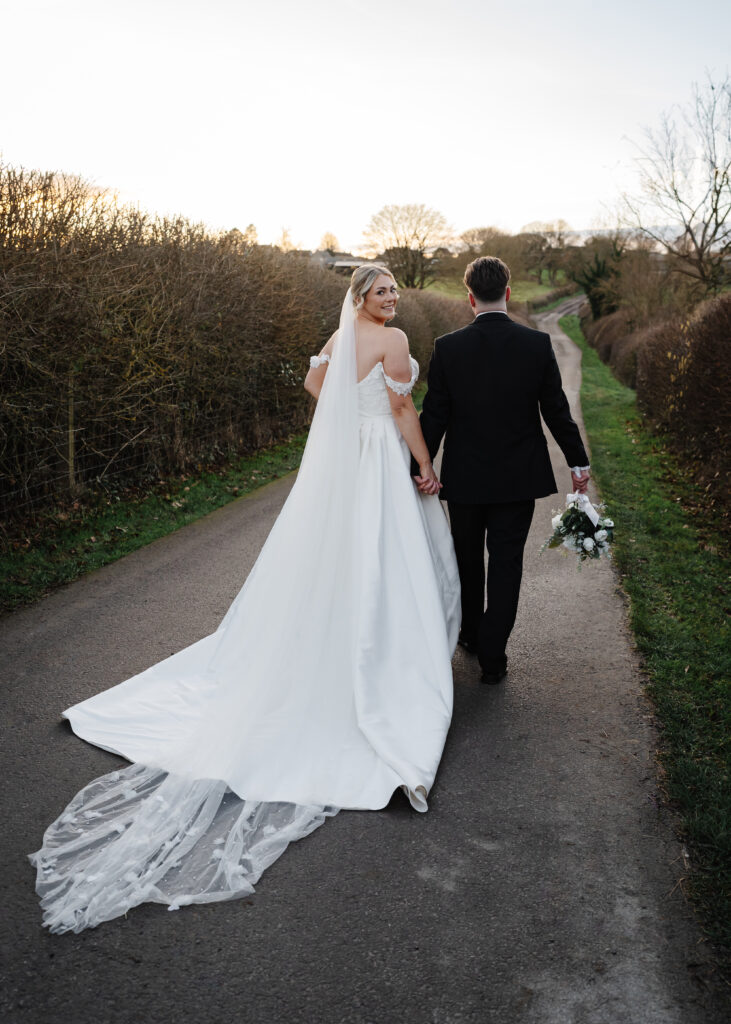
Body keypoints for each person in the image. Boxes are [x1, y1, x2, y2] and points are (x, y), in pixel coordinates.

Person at [28, 264, 460, 934]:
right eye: (382, 293)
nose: (393, 300)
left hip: (344, 455)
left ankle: (332, 639)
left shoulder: (339, 335)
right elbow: (402, 407)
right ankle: (378, 657)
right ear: (362, 299)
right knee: (384, 560)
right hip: (375, 457)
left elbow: (315, 382)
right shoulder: (396, 341)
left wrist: (346, 416)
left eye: (395, 292)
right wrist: (424, 464)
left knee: (335, 560)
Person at [412, 256, 589, 683]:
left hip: (466, 479)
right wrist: (577, 462)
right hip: (517, 478)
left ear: (468, 297)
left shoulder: (448, 347)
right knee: (507, 564)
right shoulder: (535, 345)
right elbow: (557, 412)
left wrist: (416, 468)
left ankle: (471, 635)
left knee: (467, 560)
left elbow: (433, 416)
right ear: (507, 293)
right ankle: (493, 654)